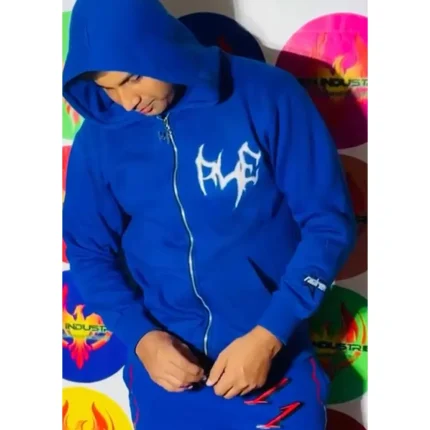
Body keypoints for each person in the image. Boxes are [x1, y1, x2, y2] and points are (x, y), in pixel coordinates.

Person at [62, 0, 356, 428]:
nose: (127, 101)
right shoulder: (99, 137)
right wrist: (142, 338)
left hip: (275, 370)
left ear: (159, 44)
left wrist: (270, 335)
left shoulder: (267, 94)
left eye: (133, 78)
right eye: (109, 89)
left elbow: (328, 224)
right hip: (166, 378)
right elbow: (88, 251)